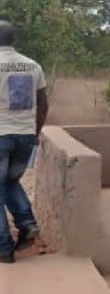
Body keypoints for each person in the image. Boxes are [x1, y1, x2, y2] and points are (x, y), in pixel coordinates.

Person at [0, 20, 48, 264]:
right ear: (13, 40)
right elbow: (43, 103)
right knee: (9, 182)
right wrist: (35, 132)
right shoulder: (33, 65)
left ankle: (3, 247)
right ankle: (27, 227)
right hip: (25, 136)